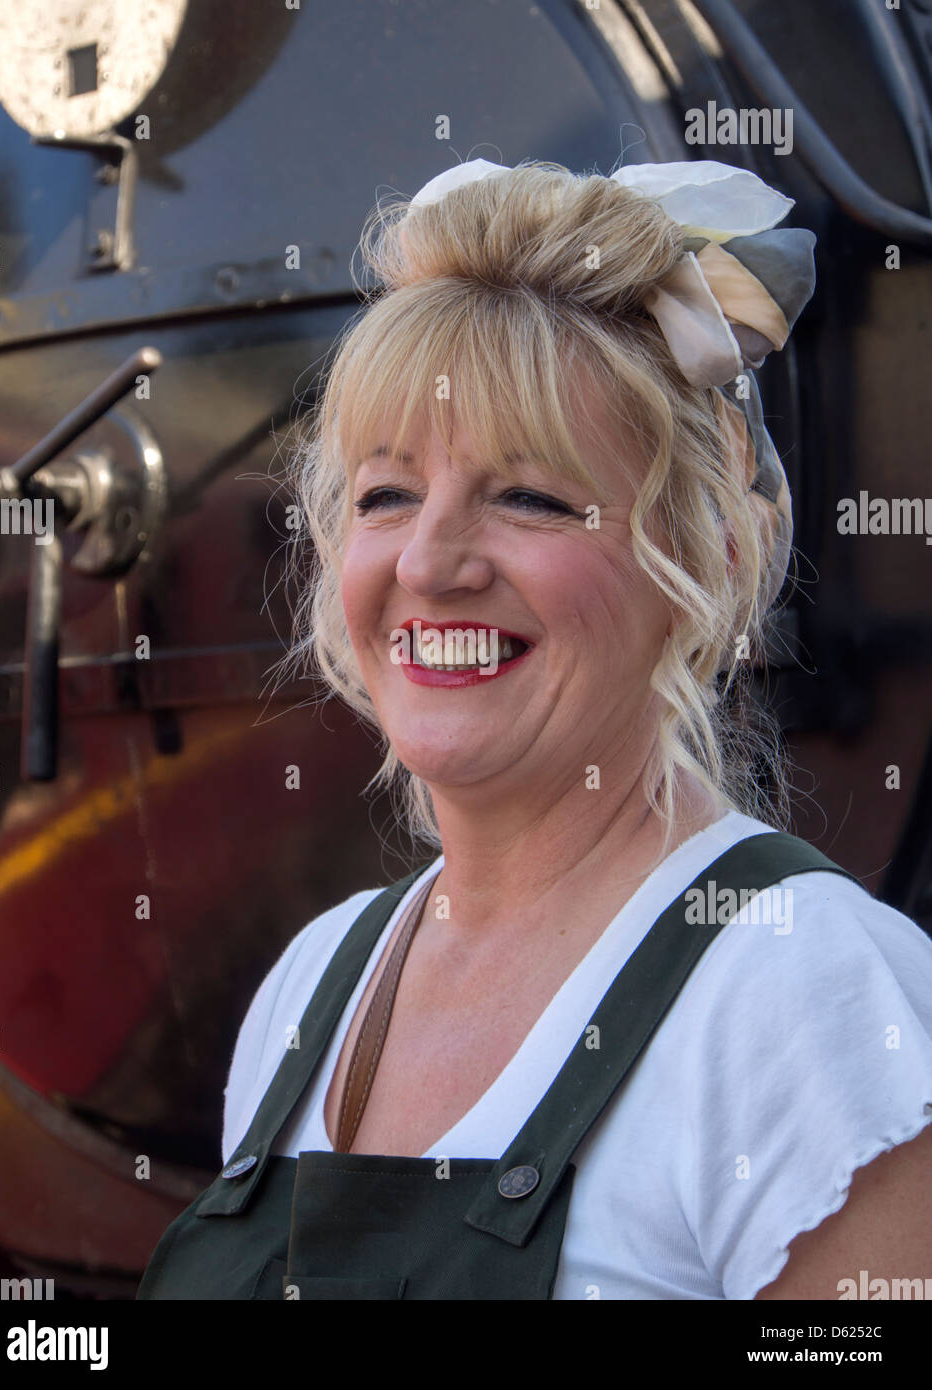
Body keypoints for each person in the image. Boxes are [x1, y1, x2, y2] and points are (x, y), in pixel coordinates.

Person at [137, 158, 932, 1301]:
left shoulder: (808, 996)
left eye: (531, 497)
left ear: (704, 557)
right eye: (386, 495)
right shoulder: (314, 983)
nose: (428, 562)